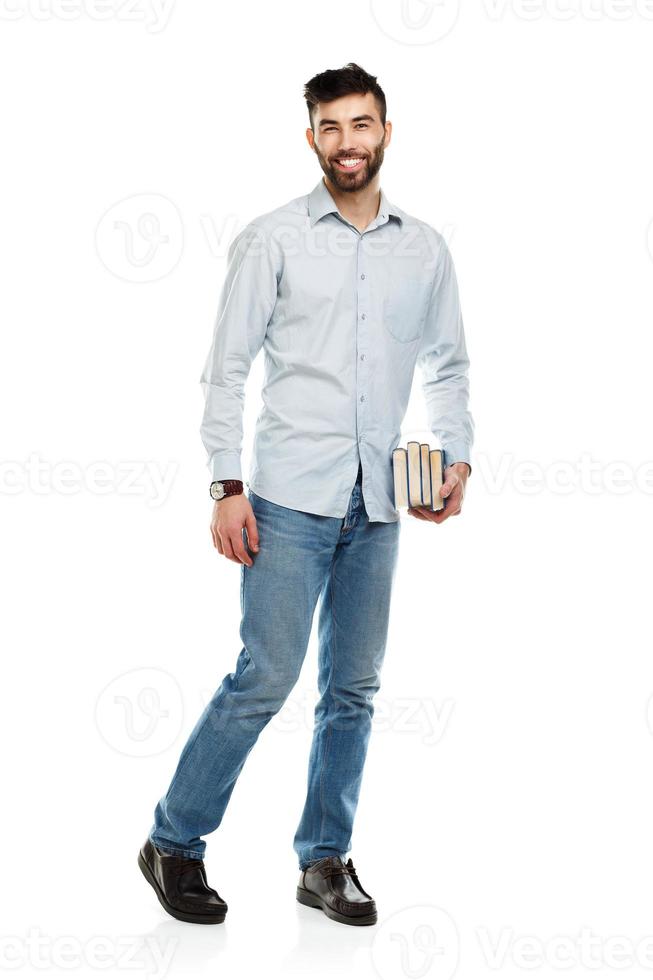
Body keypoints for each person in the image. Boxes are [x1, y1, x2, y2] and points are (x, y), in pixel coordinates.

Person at [138, 61, 474, 928]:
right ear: (311, 138)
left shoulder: (424, 246)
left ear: (385, 132)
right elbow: (225, 370)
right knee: (265, 678)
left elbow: (448, 364)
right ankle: (173, 842)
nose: (347, 142)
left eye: (361, 125)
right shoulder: (273, 237)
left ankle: (323, 861)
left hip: (379, 503)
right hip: (286, 498)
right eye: (330, 127)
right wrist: (225, 485)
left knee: (353, 690)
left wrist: (456, 458)